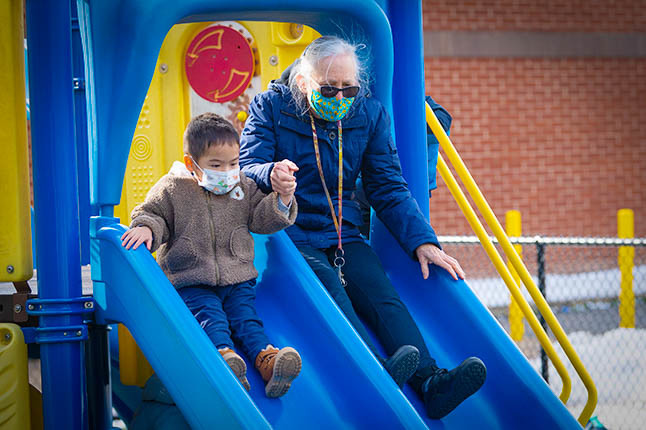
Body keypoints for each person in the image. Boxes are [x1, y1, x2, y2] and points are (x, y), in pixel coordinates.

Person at [239, 36, 486, 419]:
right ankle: (376, 369)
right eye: (328, 88)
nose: (339, 97)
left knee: (381, 294)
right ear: (304, 82)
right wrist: (270, 173)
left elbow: (387, 185)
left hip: (342, 231)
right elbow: (249, 162)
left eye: (348, 88)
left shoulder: (367, 114)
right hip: (289, 232)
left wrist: (423, 242)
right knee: (332, 289)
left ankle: (431, 382)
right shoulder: (271, 106)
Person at [121, 113, 301, 398]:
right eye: (216, 165)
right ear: (192, 164)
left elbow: (261, 218)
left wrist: (282, 199)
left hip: (238, 277)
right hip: (192, 279)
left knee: (246, 319)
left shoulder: (243, 185)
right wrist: (146, 229)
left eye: (233, 163)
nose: (227, 172)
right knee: (211, 319)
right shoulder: (173, 189)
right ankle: (224, 359)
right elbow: (152, 214)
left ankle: (268, 360)